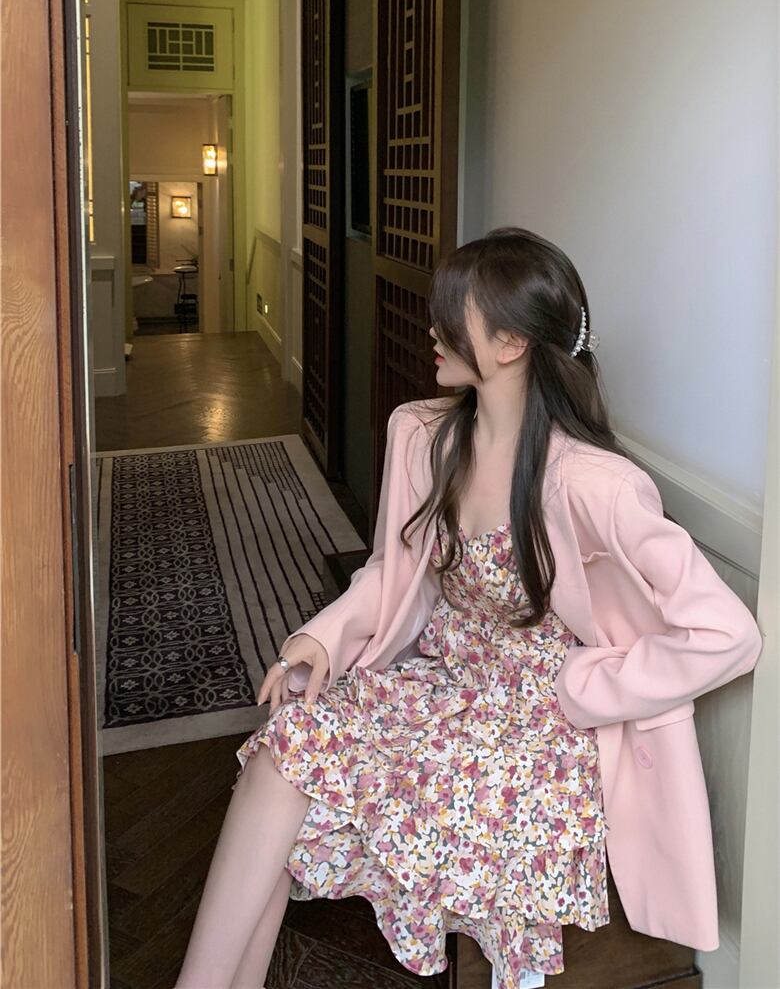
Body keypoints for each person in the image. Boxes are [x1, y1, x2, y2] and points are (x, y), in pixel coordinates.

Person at [173, 227, 762, 989]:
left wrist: (587, 685)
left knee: (289, 799)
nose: (433, 328)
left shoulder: (592, 482)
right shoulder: (424, 436)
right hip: (443, 689)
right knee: (282, 751)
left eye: (454, 314)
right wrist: (321, 638)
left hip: (534, 730)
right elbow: (395, 573)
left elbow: (729, 633)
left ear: (512, 342)